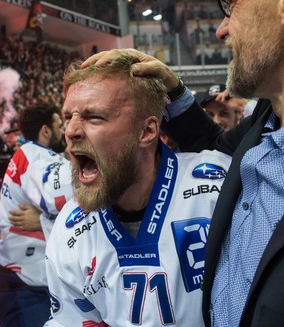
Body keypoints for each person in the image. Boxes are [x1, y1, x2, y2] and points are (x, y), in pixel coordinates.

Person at [84, 0, 284, 322]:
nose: (221, 29)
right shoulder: (270, 119)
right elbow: (216, 150)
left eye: (231, 5)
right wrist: (172, 89)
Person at [44, 52, 232, 326]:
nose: (71, 131)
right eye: (67, 117)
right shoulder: (69, 229)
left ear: (147, 131)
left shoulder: (216, 187)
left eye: (94, 117)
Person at [0, 103, 72, 327]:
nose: (63, 130)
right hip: (26, 287)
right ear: (45, 130)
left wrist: (42, 219)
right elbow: (74, 195)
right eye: (59, 124)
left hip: (18, 279)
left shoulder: (27, 154)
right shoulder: (38, 159)